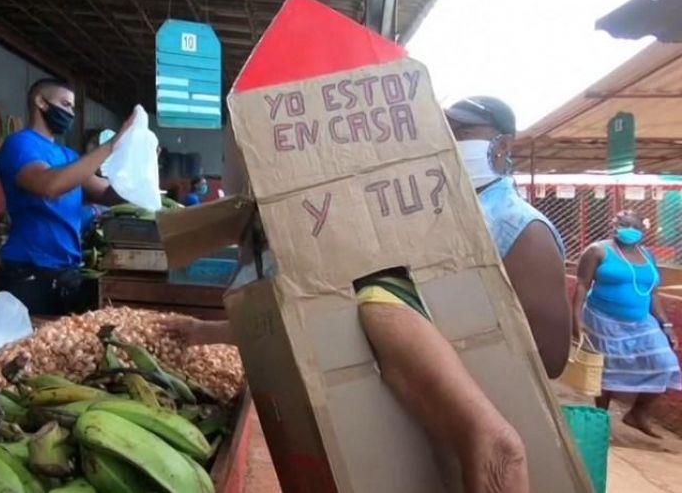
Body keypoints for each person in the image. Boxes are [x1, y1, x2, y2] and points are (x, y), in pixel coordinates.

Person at [163, 96, 570, 493]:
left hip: (463, 425)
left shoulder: (523, 229)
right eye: (447, 128)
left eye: (464, 131)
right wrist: (202, 331)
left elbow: (546, 360)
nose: (452, 137)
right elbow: (314, 319)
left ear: (503, 145)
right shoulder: (421, 215)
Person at [0, 78, 129, 316]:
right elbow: (50, 184)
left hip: (67, 272)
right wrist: (111, 146)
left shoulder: (68, 155)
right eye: (65, 104)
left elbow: (106, 193)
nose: (69, 113)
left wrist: (139, 181)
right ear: (41, 102)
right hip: (28, 271)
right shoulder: (19, 144)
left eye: (72, 108)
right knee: (28, 348)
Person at [573, 209, 681, 438]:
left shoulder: (647, 255)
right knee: (607, 370)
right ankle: (601, 418)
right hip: (603, 319)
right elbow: (582, 284)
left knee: (665, 363)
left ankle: (637, 413)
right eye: (623, 224)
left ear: (643, 229)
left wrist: (667, 325)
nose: (628, 229)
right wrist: (577, 319)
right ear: (614, 226)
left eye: (634, 226)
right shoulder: (597, 251)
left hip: (642, 322)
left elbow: (653, 294)